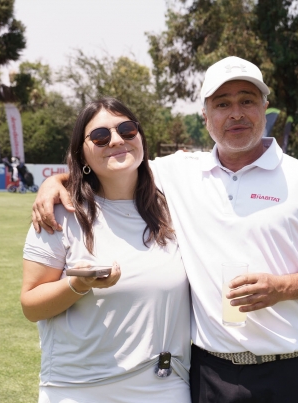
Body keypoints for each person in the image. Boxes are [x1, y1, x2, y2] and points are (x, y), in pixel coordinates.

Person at [32, 56, 298, 403]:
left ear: (265, 107)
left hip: (288, 371)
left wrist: (282, 287)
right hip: (209, 374)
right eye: (222, 104)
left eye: (247, 100)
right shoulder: (180, 172)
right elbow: (114, 163)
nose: (236, 113)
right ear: (205, 115)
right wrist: (56, 181)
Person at [21, 98, 191, 403]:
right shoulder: (60, 213)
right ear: (82, 152)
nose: (116, 140)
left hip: (164, 386)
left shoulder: (175, 204)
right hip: (77, 389)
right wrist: (77, 284)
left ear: (140, 137)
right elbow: (31, 306)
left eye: (127, 130)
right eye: (100, 136)